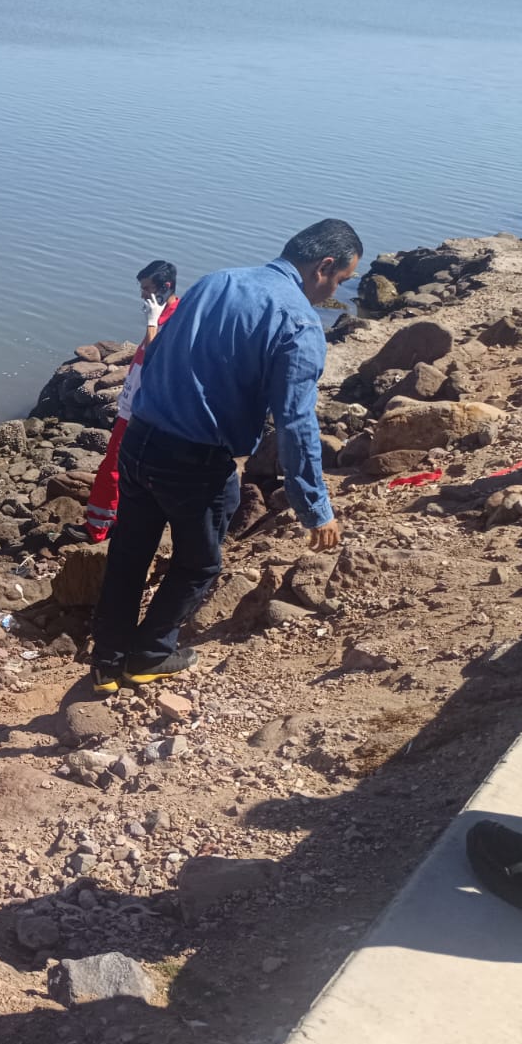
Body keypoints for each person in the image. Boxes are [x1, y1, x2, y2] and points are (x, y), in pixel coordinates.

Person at [89, 219, 359, 694]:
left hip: (140, 440)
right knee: (198, 563)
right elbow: (295, 423)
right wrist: (314, 508)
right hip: (196, 460)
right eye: (340, 282)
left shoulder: (217, 281)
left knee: (129, 554)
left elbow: (159, 355)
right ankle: (149, 655)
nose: (334, 293)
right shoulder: (298, 321)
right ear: (325, 266)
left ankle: (107, 665)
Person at [64, 260, 182, 544]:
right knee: (124, 468)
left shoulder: (175, 317)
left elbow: (157, 358)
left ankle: (98, 529)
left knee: (113, 468)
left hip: (143, 409)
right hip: (134, 403)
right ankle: (119, 520)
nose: (143, 295)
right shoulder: (164, 312)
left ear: (165, 287)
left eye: (147, 288)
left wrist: (152, 322)